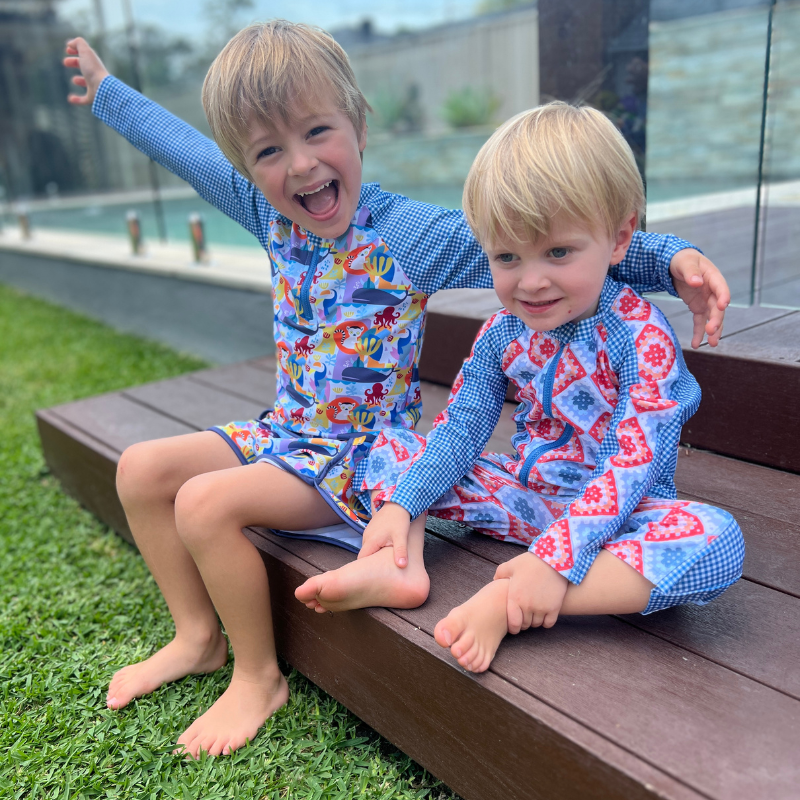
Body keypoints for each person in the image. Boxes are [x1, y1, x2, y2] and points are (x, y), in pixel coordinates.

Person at [63, 21, 731, 758]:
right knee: (142, 469)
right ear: (248, 168)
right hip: (302, 437)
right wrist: (108, 94)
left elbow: (555, 236)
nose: (302, 164)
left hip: (363, 454)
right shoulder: (268, 213)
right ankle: (198, 637)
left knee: (205, 500)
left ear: (358, 123)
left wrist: (673, 259)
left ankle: (262, 674)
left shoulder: (410, 236)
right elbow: (185, 149)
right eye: (268, 151)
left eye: (318, 131)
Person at [339, 102, 744, 674]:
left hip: (621, 514)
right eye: (507, 256)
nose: (531, 281)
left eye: (558, 252)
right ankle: (399, 561)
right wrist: (405, 503)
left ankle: (512, 601)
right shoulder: (502, 333)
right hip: (530, 498)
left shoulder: (638, 336)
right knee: (386, 451)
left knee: (716, 542)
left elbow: (634, 463)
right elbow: (460, 428)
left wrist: (554, 563)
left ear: (621, 236)